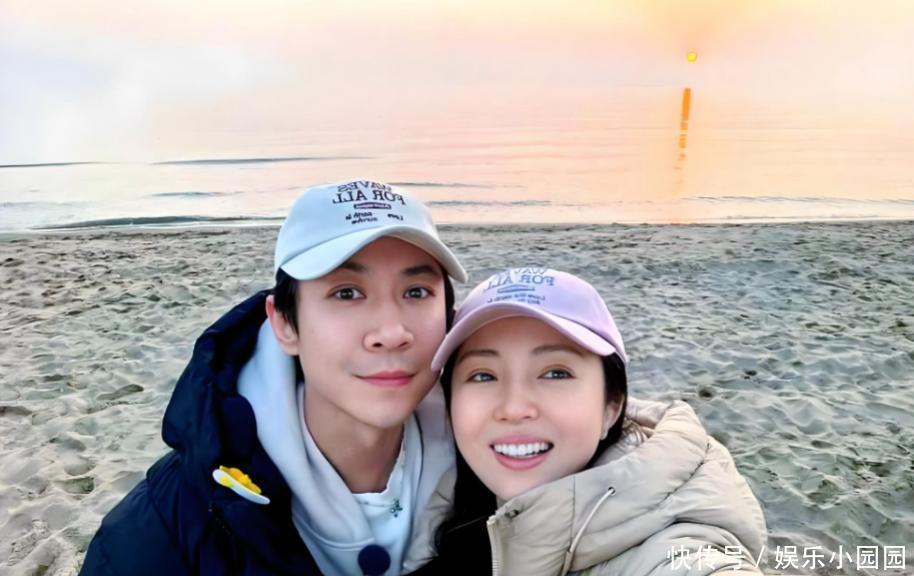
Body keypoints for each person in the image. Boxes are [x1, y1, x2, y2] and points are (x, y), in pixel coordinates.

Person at [80, 180, 468, 576]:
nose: (391, 333)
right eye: (347, 293)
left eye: (416, 292)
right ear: (283, 323)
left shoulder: (488, 471)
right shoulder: (163, 530)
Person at [404, 267, 768, 576]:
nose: (514, 408)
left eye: (555, 373)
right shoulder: (438, 504)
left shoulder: (674, 550)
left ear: (612, 406)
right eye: (483, 375)